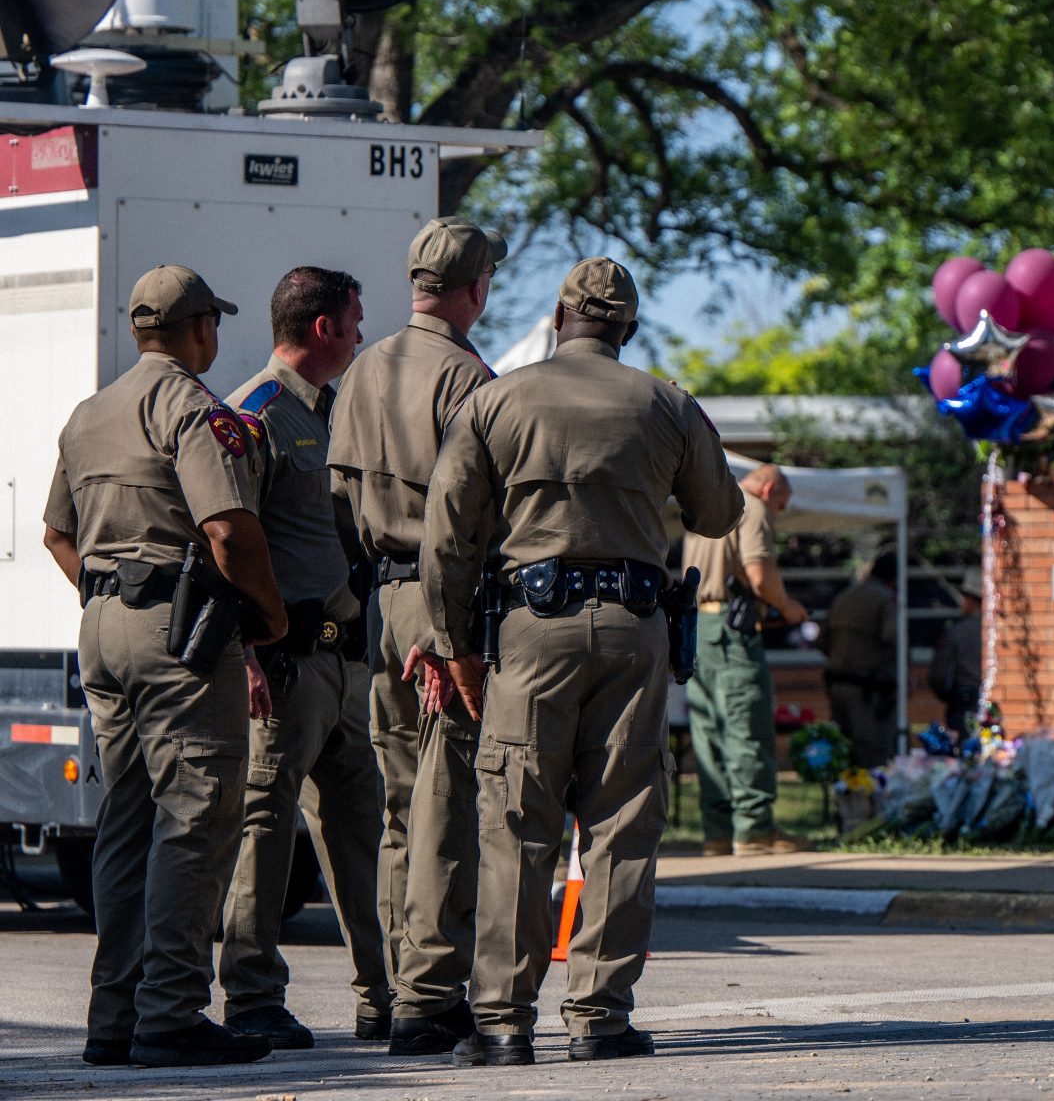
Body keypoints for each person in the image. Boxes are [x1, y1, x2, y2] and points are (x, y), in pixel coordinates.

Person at [408, 256, 742, 1066]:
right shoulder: (667, 403)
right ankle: (599, 1018)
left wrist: (455, 648)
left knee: (517, 821)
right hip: (634, 630)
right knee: (624, 824)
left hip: (530, 630)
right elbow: (720, 510)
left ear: (560, 318)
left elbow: (447, 537)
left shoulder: (497, 400)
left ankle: (502, 1024)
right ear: (627, 328)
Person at [42, 265, 288, 1068]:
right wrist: (271, 615)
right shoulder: (188, 405)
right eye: (213, 321)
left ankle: (114, 1015)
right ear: (198, 330)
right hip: (175, 633)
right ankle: (171, 1012)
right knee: (199, 812)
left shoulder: (89, 413)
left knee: (129, 817)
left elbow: (56, 534)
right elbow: (228, 529)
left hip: (102, 624)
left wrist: (110, 591)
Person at [328, 216, 504, 1055]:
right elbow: (468, 517)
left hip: (381, 600)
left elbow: (334, 502)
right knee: (447, 804)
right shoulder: (466, 377)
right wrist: (450, 631)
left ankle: (400, 985)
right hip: (443, 607)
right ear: (475, 288)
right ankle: (431, 996)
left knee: (402, 806)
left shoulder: (364, 368)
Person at [218, 267, 392, 1048]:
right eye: (354, 321)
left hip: (345, 662)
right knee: (264, 831)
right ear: (323, 328)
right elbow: (221, 537)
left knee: (363, 833)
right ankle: (252, 995)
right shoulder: (254, 414)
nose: (361, 334)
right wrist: (243, 653)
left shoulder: (332, 413)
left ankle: (384, 993)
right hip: (283, 666)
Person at [681, 464, 810, 856]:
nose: (779, 514)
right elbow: (759, 575)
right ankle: (754, 829)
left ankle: (718, 832)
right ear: (770, 488)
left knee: (709, 733)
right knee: (746, 726)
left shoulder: (708, 506)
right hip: (734, 632)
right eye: (782, 505)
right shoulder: (751, 507)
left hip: (699, 627)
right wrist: (789, 608)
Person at [820, 551, 901, 768]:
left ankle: (846, 802)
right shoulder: (885, 599)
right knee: (874, 758)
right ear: (894, 578)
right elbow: (892, 638)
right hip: (869, 692)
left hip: (838, 686)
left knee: (843, 754)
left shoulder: (845, 596)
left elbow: (822, 641)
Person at [928, 567, 983, 734]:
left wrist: (949, 696)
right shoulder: (1000, 629)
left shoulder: (957, 631)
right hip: (995, 704)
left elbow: (938, 675)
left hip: (964, 704)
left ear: (972, 600)